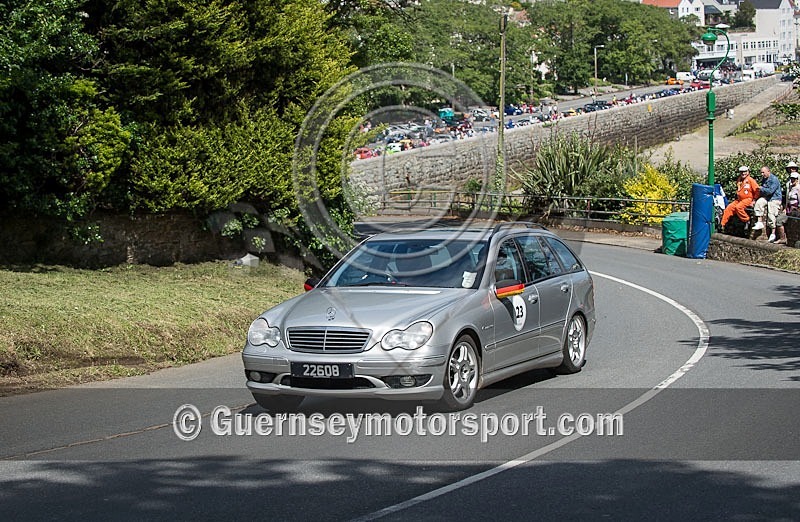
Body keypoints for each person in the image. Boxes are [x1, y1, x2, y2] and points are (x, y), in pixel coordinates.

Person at [752, 166, 782, 242]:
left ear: (768, 171)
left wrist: (761, 188)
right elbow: (763, 192)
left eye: (763, 172)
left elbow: (770, 191)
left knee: (771, 212)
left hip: (775, 198)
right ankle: (759, 222)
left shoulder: (774, 179)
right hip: (767, 198)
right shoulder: (764, 179)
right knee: (759, 202)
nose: (762, 174)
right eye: (761, 172)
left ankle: (773, 233)